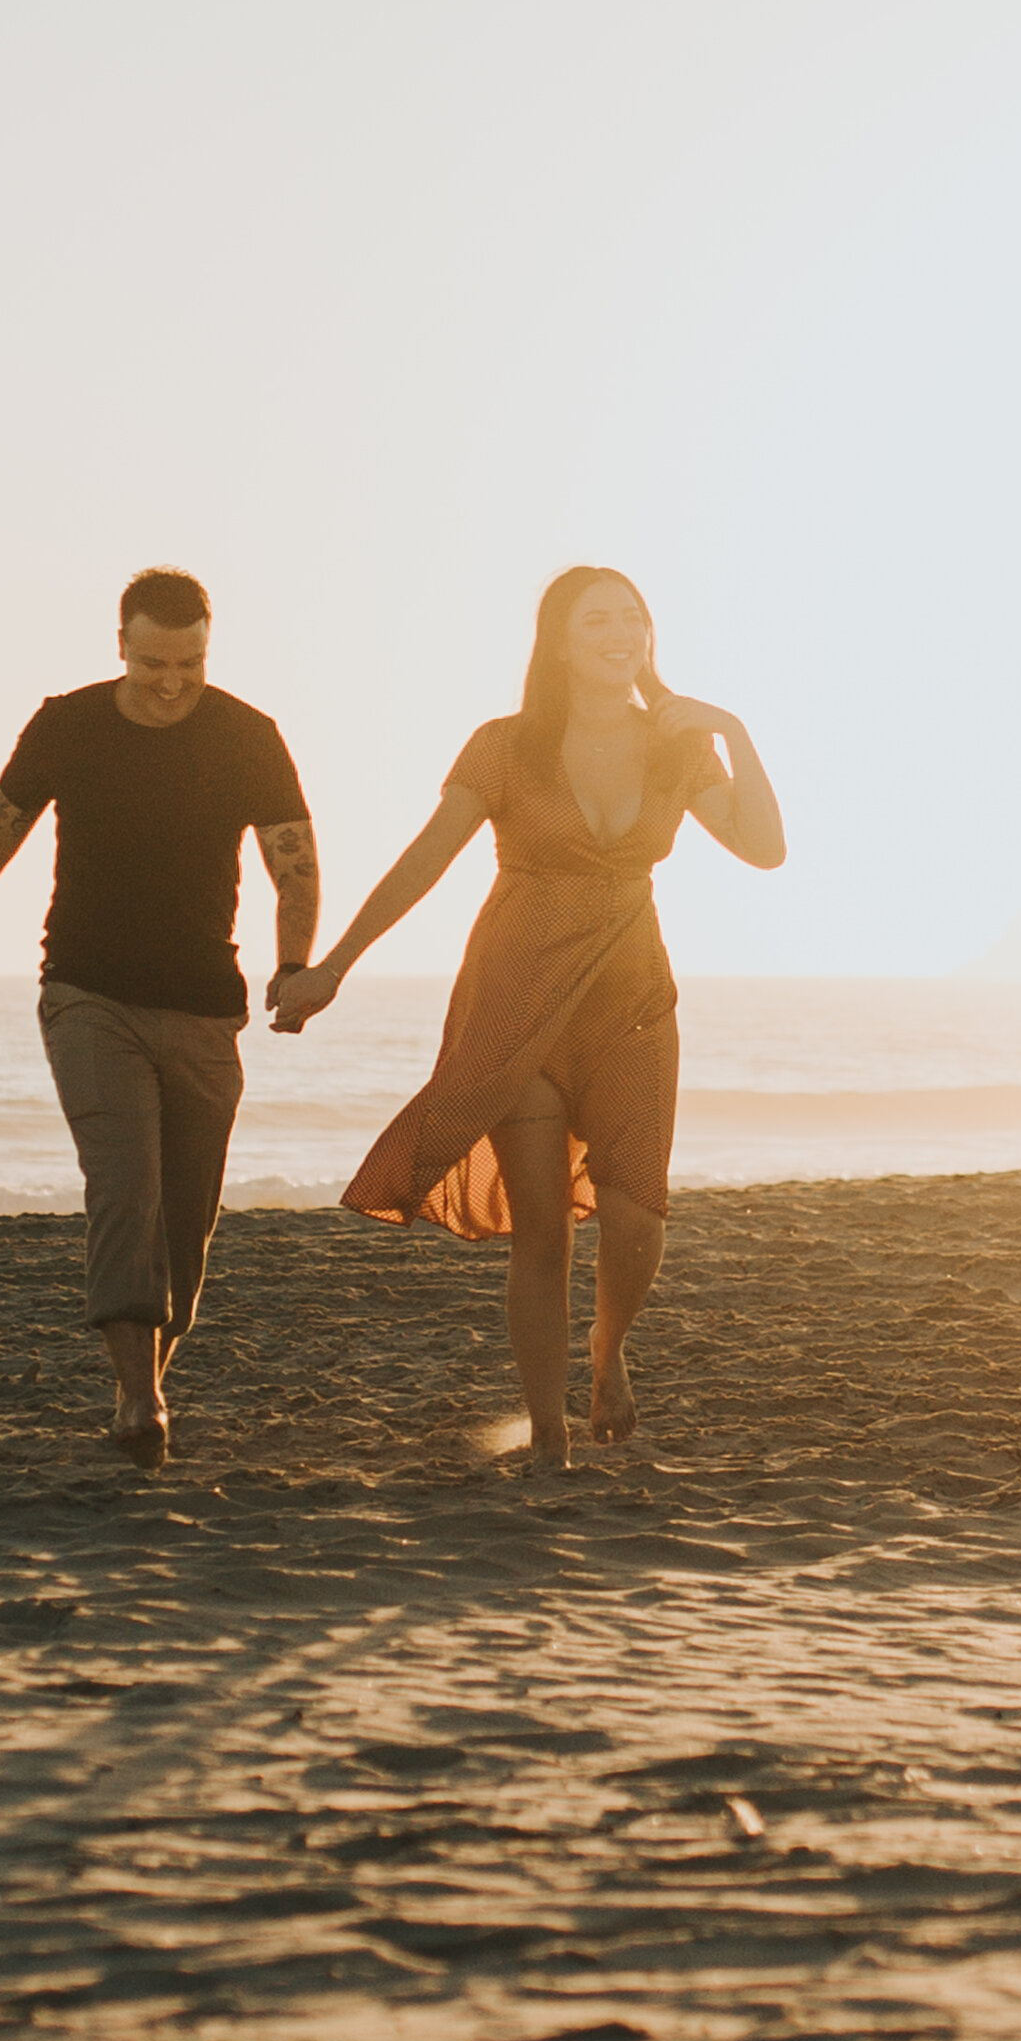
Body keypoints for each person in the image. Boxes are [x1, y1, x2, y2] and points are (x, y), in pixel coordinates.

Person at [270, 566, 783, 1462]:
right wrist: (335, 967)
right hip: (518, 998)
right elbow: (425, 859)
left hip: (630, 1000)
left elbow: (765, 851)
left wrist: (733, 731)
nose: (621, 632)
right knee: (541, 1233)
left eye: (634, 617)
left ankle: (607, 1349)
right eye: (599, 620)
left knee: (638, 1216)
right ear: (558, 640)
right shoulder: (506, 746)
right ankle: (549, 1431)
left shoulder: (678, 747)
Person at [0, 568, 317, 1464]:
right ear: (120, 643)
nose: (172, 680)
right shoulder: (68, 724)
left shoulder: (248, 737)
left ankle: (150, 1376)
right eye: (155, 660)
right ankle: (138, 1399)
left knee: (186, 1223)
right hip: (87, 993)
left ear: (210, 647)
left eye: (191, 663)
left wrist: (291, 964)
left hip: (207, 1008)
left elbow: (296, 860)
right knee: (124, 1187)